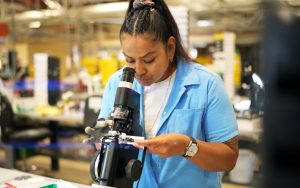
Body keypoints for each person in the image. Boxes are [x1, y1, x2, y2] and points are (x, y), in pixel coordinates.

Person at [91, 0, 239, 187]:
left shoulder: (206, 84)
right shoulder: (117, 83)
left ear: (170, 48)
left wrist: (185, 146)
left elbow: (229, 159)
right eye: (129, 60)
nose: (138, 70)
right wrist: (101, 139)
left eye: (148, 60)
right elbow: (105, 145)